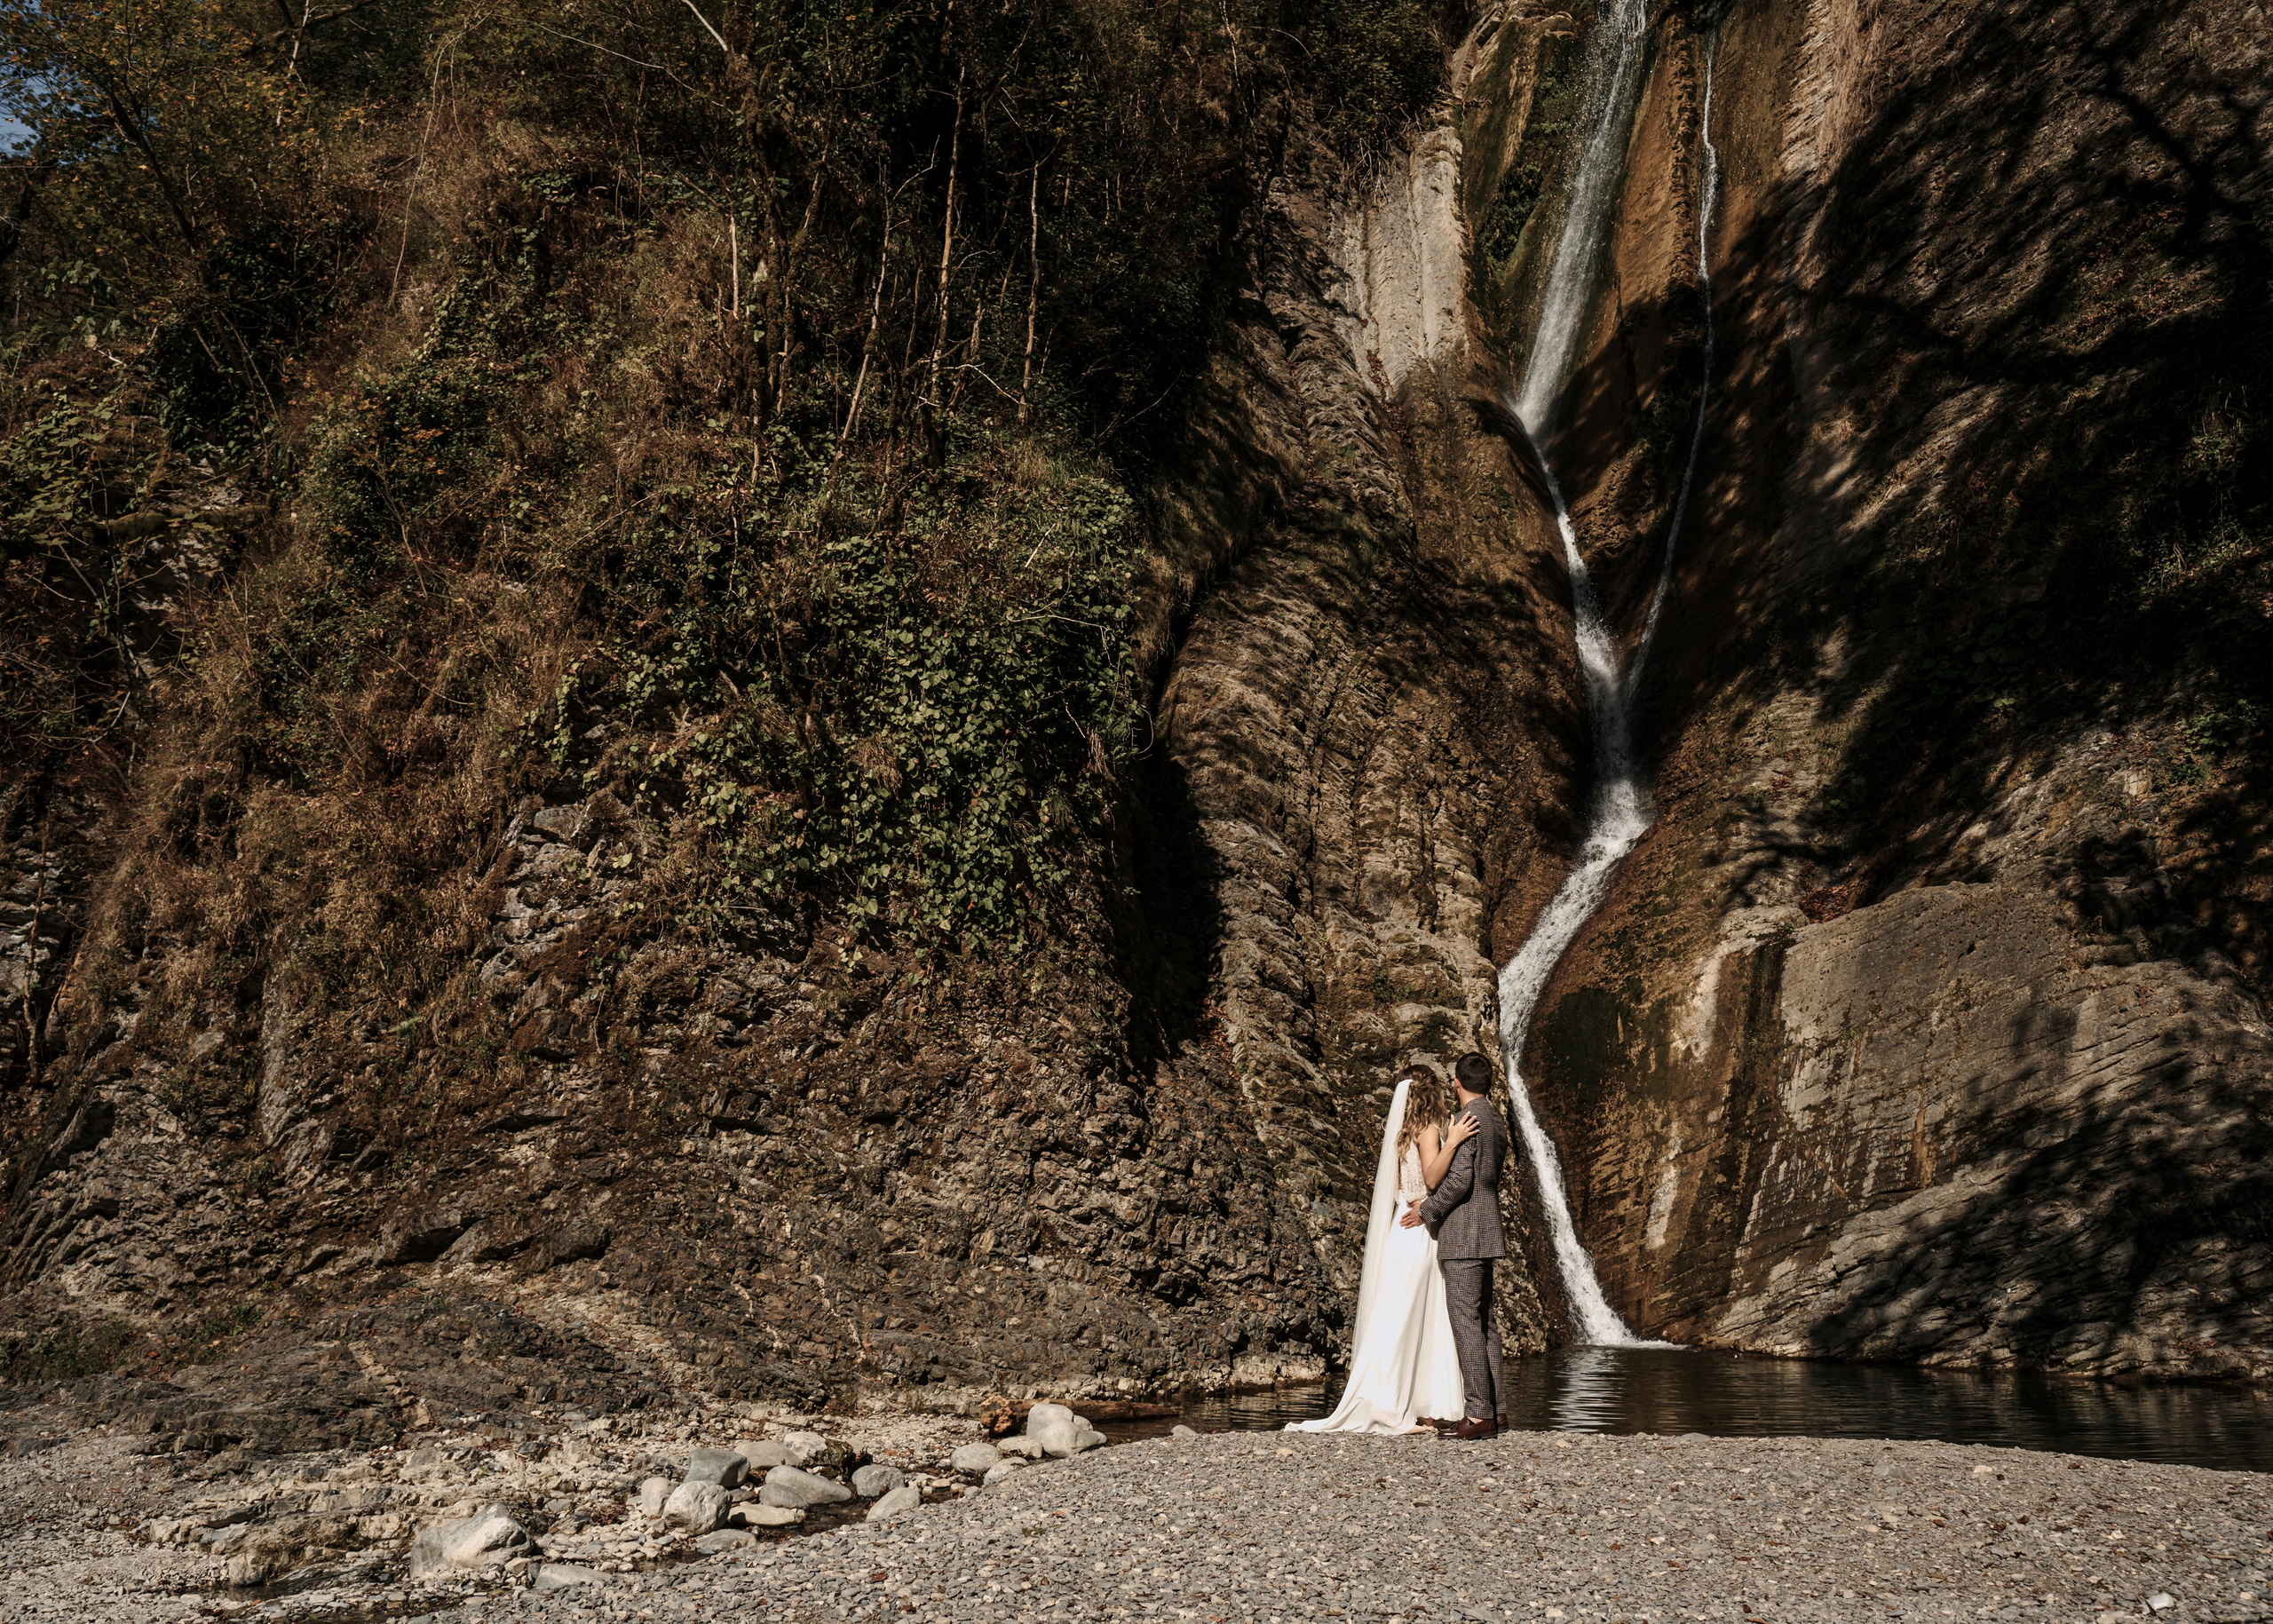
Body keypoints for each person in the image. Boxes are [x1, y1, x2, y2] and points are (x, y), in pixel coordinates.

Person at [1287, 1062, 1480, 1435]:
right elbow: (1430, 1178)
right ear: (1432, 1094)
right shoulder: (1427, 1131)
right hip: (1419, 1228)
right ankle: (1394, 1408)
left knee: (1401, 1317)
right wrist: (1453, 1141)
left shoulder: (1401, 1132)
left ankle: (1412, 1404)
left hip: (1401, 1226)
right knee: (1409, 1318)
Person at [1401, 1050, 1509, 1439]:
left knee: (1466, 1322)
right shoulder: (1496, 1118)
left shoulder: (1468, 1119)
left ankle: (1479, 1414)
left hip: (1463, 1231)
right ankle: (1497, 1413)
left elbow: (1460, 1179)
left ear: (1457, 1083)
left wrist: (1428, 1210)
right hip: (1487, 1227)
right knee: (1486, 1324)